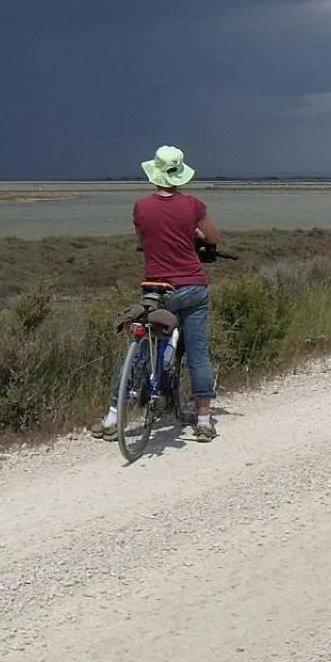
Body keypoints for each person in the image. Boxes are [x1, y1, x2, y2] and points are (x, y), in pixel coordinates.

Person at [90, 144, 223, 442]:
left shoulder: (141, 207)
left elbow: (143, 239)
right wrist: (195, 235)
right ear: (179, 175)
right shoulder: (193, 206)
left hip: (156, 289)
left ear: (155, 174)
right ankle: (203, 420)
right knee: (198, 353)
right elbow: (213, 237)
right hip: (192, 286)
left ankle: (112, 417)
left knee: (141, 349)